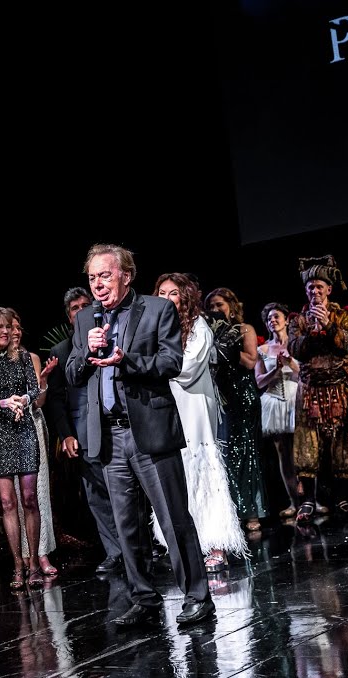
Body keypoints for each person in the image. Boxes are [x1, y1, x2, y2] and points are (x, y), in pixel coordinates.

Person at [66, 243, 214, 627]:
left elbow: (170, 362)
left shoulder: (156, 309)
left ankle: (198, 596)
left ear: (125, 275)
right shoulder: (86, 321)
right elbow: (72, 373)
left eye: (105, 275)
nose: (98, 284)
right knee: (125, 524)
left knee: (172, 517)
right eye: (92, 277)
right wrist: (87, 354)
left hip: (148, 432)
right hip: (109, 437)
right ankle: (144, 598)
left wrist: (125, 361)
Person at [153, 272, 248, 571]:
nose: (166, 299)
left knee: (203, 470)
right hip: (167, 408)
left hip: (193, 405)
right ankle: (183, 544)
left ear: (185, 297)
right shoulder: (154, 329)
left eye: (173, 293)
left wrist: (152, 367)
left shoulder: (198, 327)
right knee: (176, 474)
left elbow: (188, 368)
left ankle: (216, 544)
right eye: (161, 293)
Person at [42, 287, 133, 575]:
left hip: (115, 424)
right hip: (82, 430)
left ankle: (136, 546)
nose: (82, 311)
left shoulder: (114, 335)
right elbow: (56, 400)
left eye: (86, 305)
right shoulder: (61, 351)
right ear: (69, 317)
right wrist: (66, 434)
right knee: (95, 492)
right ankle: (115, 551)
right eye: (75, 308)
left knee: (124, 488)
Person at [0, 308, 48, 590]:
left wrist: (22, 401)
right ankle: (17, 565)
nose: (4, 332)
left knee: (28, 498)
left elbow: (34, 391)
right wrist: (5, 403)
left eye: (7, 327)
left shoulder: (23, 357)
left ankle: (34, 564)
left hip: (23, 430)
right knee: (7, 503)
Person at [288, 256, 348, 522]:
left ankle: (344, 498)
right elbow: (294, 350)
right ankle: (308, 501)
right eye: (310, 287)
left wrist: (328, 326)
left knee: (341, 443)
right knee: (307, 444)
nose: (314, 291)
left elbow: (347, 344)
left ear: (329, 289)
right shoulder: (298, 319)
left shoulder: (344, 316)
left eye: (319, 287)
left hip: (338, 389)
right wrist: (312, 331)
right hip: (310, 391)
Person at [204, 286, 267, 531]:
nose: (215, 310)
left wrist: (227, 346)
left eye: (219, 305)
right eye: (211, 307)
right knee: (226, 453)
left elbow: (251, 361)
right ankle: (231, 512)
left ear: (231, 305)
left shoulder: (244, 329)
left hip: (243, 395)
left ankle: (252, 512)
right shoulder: (207, 332)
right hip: (221, 396)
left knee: (246, 451)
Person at [10, 313, 62, 578]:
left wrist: (42, 381)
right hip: (8, 429)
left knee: (37, 492)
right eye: (10, 327)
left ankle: (42, 553)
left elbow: (39, 403)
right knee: (17, 496)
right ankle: (23, 556)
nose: (16, 332)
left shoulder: (31, 358)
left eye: (19, 327)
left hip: (32, 424)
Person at [255, 302, 302, 518]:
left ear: (286, 320)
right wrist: (275, 368)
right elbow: (259, 381)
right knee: (284, 453)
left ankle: (312, 498)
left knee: (303, 449)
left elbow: (303, 371)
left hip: (296, 398)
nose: (273, 321)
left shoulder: (297, 343)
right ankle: (294, 501)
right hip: (274, 400)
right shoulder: (262, 350)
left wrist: (289, 361)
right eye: (269, 319)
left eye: (276, 317)